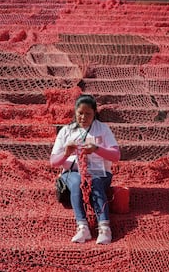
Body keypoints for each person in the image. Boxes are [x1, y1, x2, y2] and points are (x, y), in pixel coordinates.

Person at [50, 94, 121, 245]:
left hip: (100, 173)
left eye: (88, 114)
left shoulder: (102, 129)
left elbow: (116, 155)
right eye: (80, 113)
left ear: (95, 113)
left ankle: (104, 227)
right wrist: (66, 153)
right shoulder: (66, 131)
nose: (83, 117)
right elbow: (54, 162)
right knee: (77, 182)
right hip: (72, 172)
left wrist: (97, 149)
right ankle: (82, 227)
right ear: (75, 112)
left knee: (93, 181)